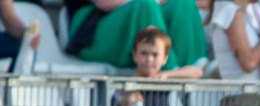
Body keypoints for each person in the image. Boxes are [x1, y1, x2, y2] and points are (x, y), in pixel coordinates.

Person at [64, 0, 208, 71]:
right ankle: (169, 70)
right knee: (145, 5)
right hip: (92, 23)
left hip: (141, 7)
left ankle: (193, 66)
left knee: (183, 4)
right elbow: (103, 2)